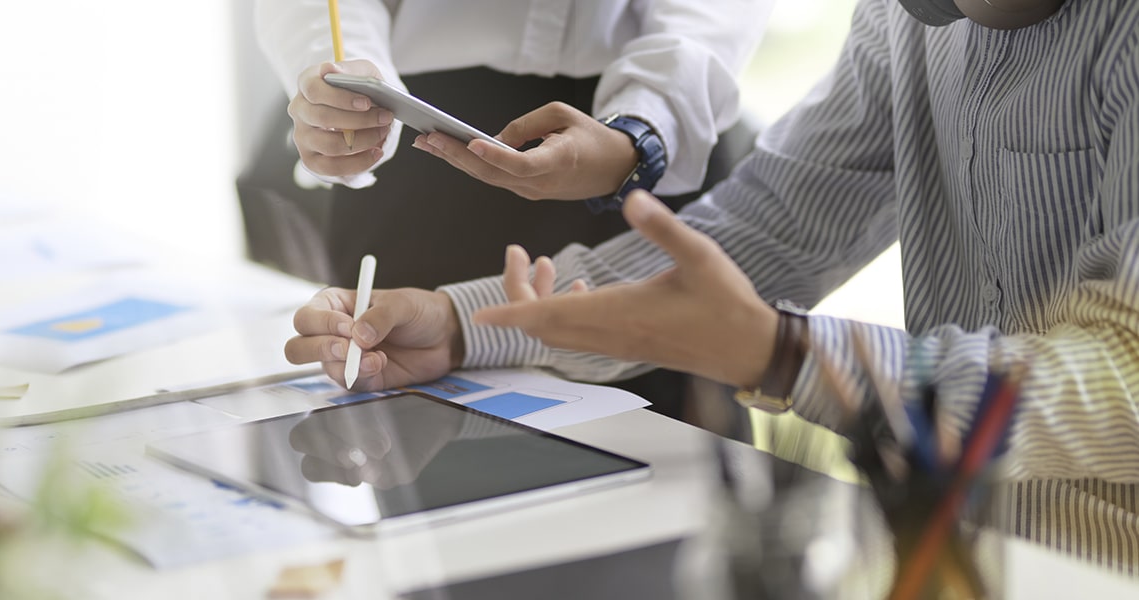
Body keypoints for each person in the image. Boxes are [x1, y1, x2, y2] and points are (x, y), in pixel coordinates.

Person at [285, 0, 1139, 572]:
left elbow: (1125, 389)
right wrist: (464, 323)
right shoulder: (908, 21)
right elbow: (763, 229)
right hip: (955, 547)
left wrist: (786, 355)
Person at [257, 0, 774, 422]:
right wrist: (342, 82)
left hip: (638, 142)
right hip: (421, 138)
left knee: (658, 451)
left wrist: (643, 128)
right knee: (403, 438)